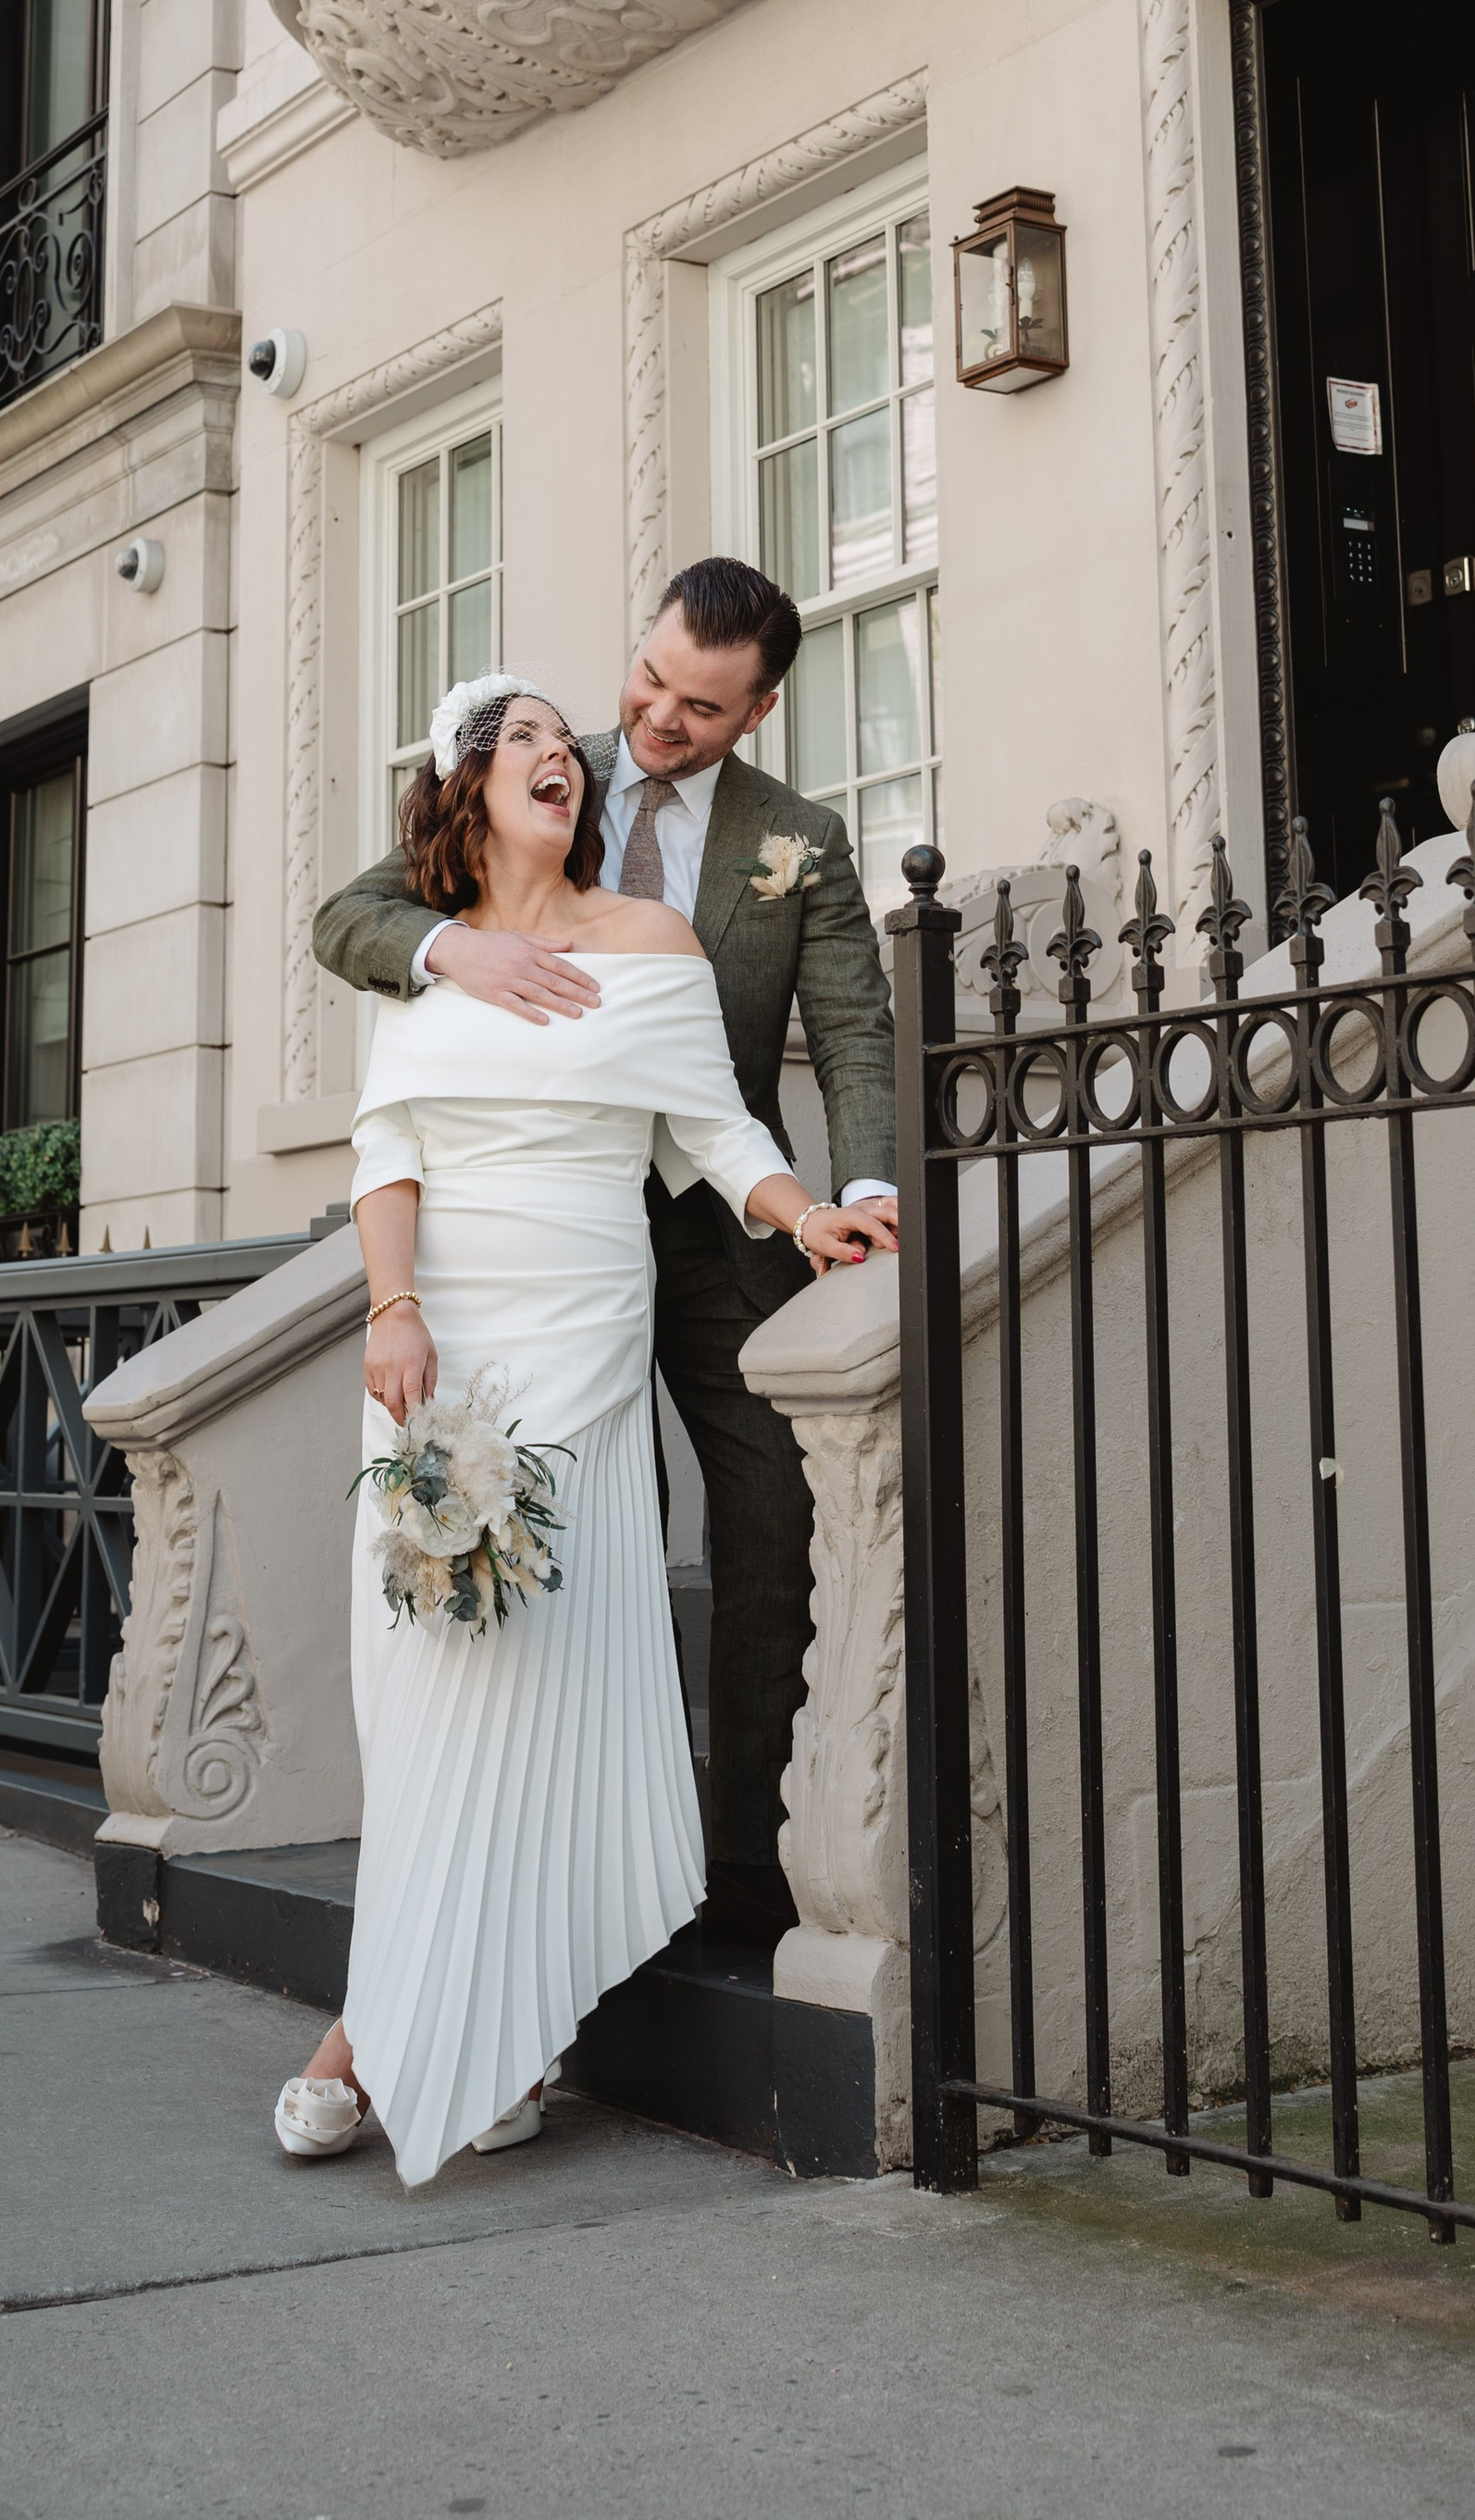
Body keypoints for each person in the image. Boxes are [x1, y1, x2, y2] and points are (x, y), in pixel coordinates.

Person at [275, 679, 886, 2185]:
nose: (559, 753)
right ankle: (427, 2032)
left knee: (540, 1691)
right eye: (524, 740)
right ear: (469, 789)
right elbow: (385, 1149)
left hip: (584, 1342)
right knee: (430, 1703)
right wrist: (392, 1308)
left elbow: (712, 1128)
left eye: (565, 740)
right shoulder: (429, 954)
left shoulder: (653, 941)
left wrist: (806, 1210)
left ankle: (404, 2040)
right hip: (442, 1343)